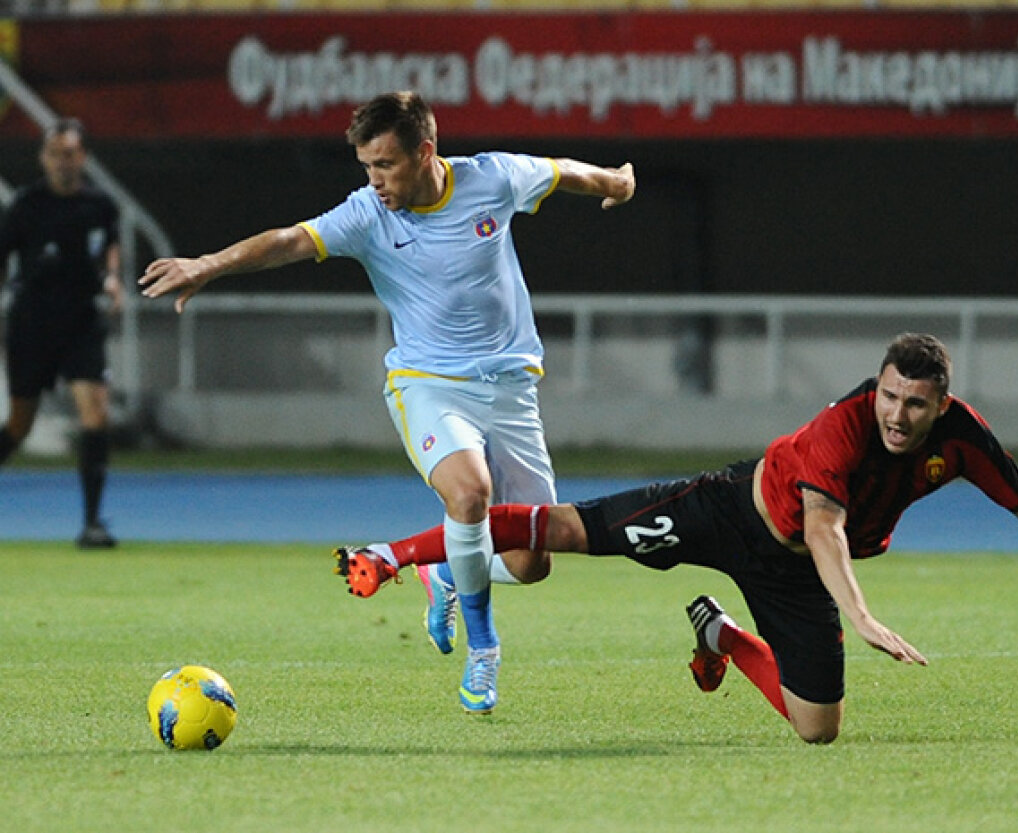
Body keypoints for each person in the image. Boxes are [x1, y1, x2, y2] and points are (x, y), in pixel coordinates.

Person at [336, 332, 1018, 741]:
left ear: (941, 405)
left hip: (790, 574)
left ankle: (717, 629)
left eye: (914, 405)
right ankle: (397, 552)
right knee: (572, 530)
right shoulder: (844, 429)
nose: (897, 413)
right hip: (728, 510)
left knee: (817, 729)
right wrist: (859, 616)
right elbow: (824, 527)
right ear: (878, 385)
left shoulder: (963, 438)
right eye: (890, 395)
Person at [139, 91, 636, 715]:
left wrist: (614, 182)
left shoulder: (492, 178)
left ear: (425, 152)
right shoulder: (368, 215)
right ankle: (484, 650)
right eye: (366, 166)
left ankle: (449, 570)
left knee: (532, 561)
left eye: (386, 165)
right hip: (428, 384)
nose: (375, 181)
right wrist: (208, 264)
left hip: (510, 390)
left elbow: (562, 172)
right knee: (469, 493)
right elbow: (289, 240)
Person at [0, 118, 124, 548]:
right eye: (55, 154)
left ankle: (92, 524)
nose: (63, 162)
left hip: (81, 324)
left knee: (96, 415)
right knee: (19, 426)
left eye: (70, 154)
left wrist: (113, 279)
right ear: (43, 158)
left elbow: (110, 247)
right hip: (32, 323)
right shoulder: (25, 206)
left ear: (83, 157)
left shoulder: (101, 205)